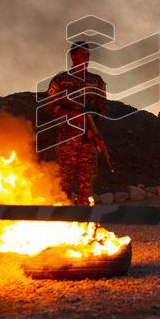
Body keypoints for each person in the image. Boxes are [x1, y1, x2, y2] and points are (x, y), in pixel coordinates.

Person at [45, 41, 107, 204]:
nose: (86, 58)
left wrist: (92, 120)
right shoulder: (61, 80)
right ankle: (62, 220)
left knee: (86, 184)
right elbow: (50, 106)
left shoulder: (97, 81)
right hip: (68, 138)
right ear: (73, 56)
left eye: (88, 55)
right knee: (64, 182)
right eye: (82, 54)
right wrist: (72, 114)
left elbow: (102, 109)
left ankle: (83, 221)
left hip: (88, 138)